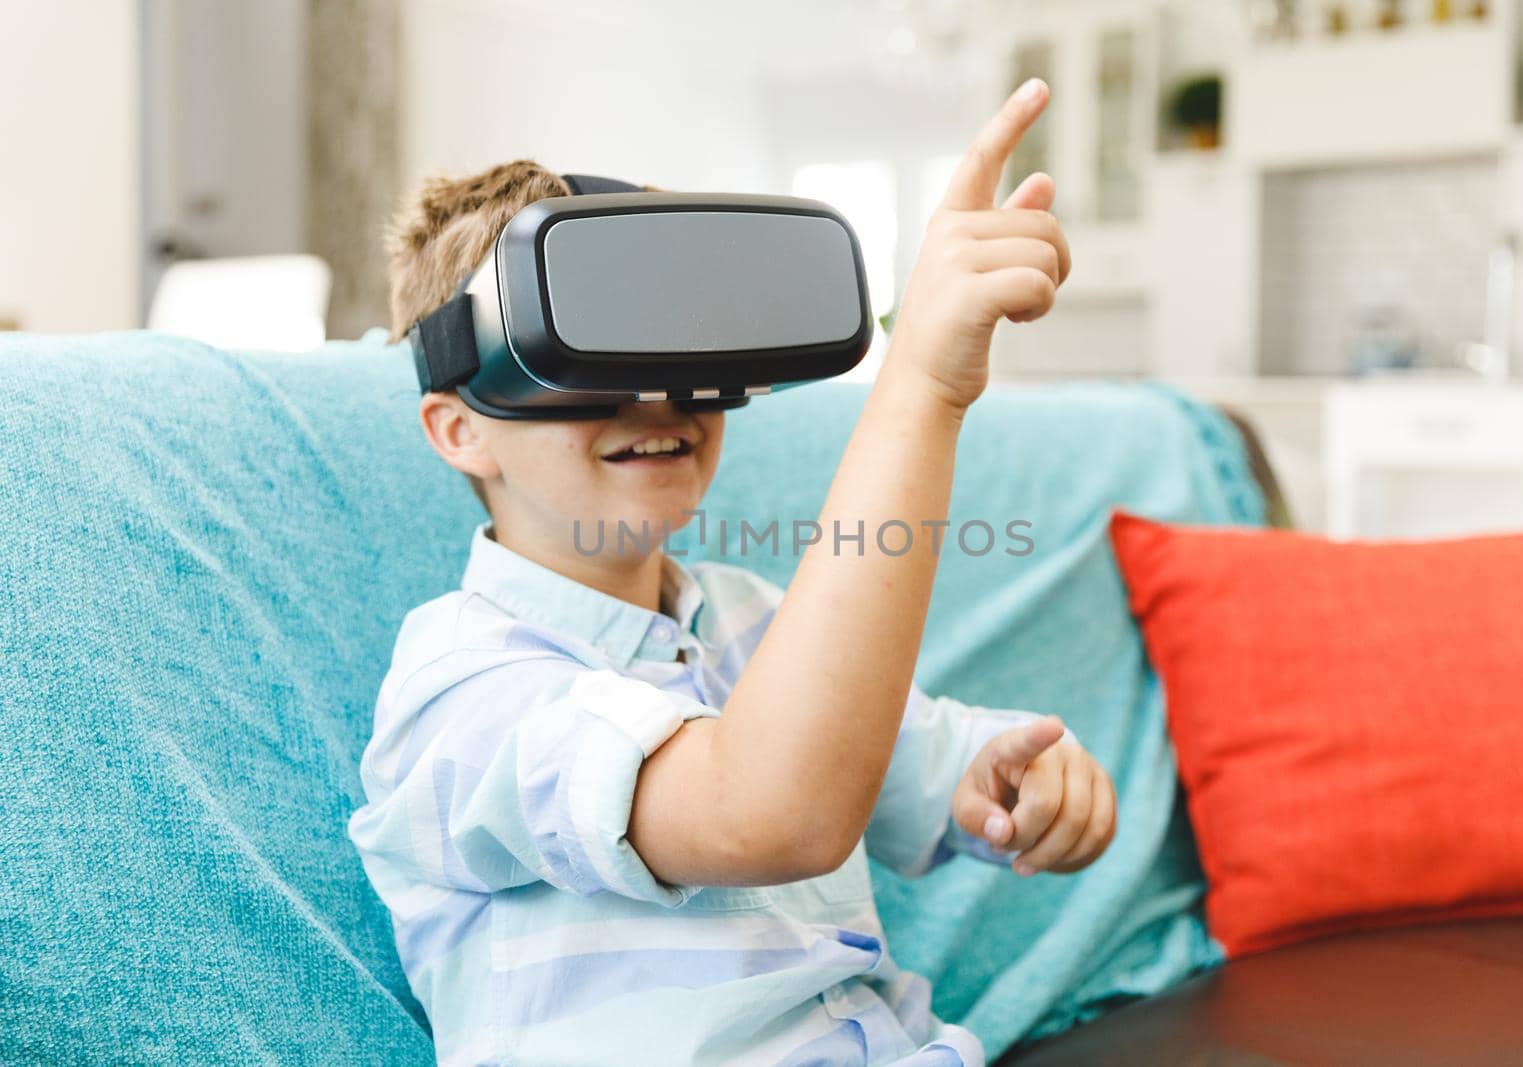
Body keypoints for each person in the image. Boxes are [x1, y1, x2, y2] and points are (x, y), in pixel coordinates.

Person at [349, 78, 1117, 1066]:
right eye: (588, 347)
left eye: (674, 338)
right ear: (461, 429)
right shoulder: (458, 693)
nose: (654, 398)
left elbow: (923, 766)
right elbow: (766, 808)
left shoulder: (751, 621)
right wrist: (920, 380)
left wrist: (1018, 778)